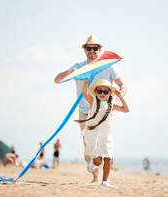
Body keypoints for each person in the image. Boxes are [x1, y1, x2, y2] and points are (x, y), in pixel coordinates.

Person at [54, 35, 128, 185]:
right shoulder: (79, 66)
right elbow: (57, 80)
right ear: (84, 50)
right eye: (89, 48)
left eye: (95, 48)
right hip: (85, 111)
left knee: (105, 144)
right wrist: (70, 72)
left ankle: (105, 180)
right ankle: (95, 177)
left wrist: (115, 100)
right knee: (89, 145)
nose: (92, 50)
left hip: (105, 112)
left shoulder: (108, 65)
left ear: (100, 49)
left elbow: (123, 85)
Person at [75, 79, 129, 188]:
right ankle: (93, 162)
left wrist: (120, 97)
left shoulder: (112, 104)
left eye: (105, 91)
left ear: (109, 93)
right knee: (99, 162)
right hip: (94, 135)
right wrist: (86, 82)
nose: (102, 94)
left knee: (108, 158)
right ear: (95, 92)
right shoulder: (92, 102)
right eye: (99, 91)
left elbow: (126, 110)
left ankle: (105, 182)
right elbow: (84, 93)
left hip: (106, 135)